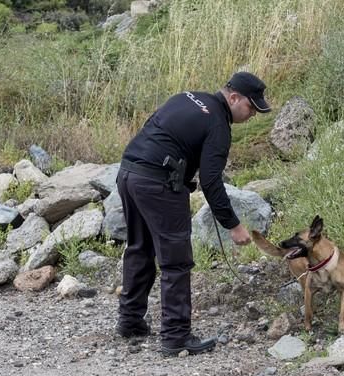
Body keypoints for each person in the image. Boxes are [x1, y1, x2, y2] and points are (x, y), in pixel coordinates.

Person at [116, 72, 272, 356]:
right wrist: (233, 225)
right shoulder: (218, 123)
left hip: (129, 174)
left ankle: (130, 321)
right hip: (159, 184)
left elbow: (152, 128)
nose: (253, 114)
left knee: (139, 248)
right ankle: (176, 337)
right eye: (251, 107)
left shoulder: (188, 98)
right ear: (234, 97)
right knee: (176, 262)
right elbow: (211, 182)